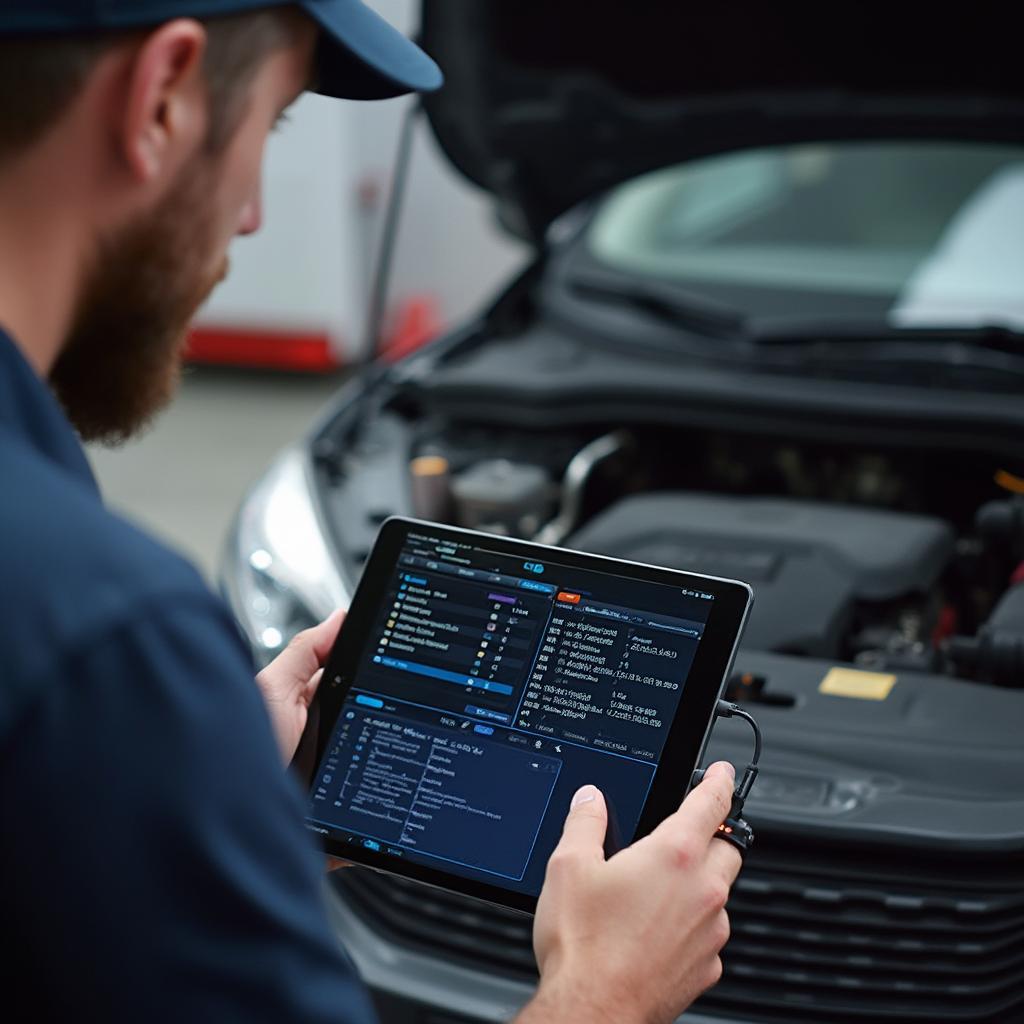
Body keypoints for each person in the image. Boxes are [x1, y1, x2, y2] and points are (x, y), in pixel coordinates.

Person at [0, 2, 742, 1021]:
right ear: (162, 98)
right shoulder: (104, 634)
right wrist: (605, 990)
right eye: (274, 122)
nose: (252, 211)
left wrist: (192, 790)